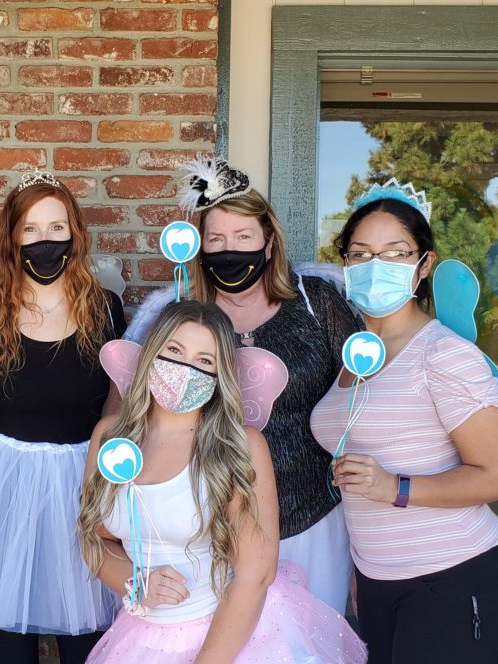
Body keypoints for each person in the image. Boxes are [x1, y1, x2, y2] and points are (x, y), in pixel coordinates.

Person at [78, 300, 366, 663]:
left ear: (220, 377)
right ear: (151, 352)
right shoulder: (111, 438)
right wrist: (135, 583)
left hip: (230, 639)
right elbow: (94, 537)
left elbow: (254, 575)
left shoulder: (239, 446)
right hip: (144, 640)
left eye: (204, 361)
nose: (185, 369)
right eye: (174, 350)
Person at [312, 184, 498, 663]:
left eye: (395, 253)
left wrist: (395, 487)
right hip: (378, 580)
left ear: (424, 264)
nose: (375, 265)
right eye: (361, 253)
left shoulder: (443, 355)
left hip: (452, 574)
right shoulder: (353, 355)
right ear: (345, 263)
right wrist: (362, 568)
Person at [0, 171, 126, 664]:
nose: (45, 241)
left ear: (74, 233)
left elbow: (116, 405)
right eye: (31, 229)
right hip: (6, 487)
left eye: (57, 227)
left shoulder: (105, 310)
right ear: (12, 238)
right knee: (7, 648)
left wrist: (106, 466)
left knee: (87, 644)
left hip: (84, 482)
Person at [177, 158, 361, 612]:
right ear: (199, 247)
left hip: (314, 518)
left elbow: (360, 399)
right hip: (215, 527)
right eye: (216, 239)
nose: (229, 250)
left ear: (269, 241)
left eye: (243, 237)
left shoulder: (317, 303)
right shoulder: (185, 320)